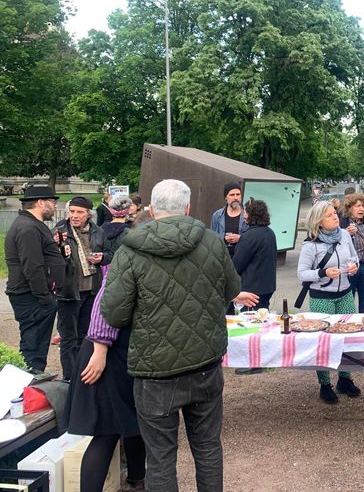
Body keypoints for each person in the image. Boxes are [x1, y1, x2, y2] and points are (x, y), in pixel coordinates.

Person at [102, 179, 245, 492]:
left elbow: (114, 313)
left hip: (156, 370)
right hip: (204, 362)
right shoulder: (212, 242)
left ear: (152, 210)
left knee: (161, 458)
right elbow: (231, 290)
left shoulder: (130, 251)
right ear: (188, 208)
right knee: (208, 448)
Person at [66, 201, 145, 492]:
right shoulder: (128, 263)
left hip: (122, 352)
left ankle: (136, 478)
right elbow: (104, 307)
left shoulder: (138, 261)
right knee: (107, 431)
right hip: (105, 352)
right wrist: (100, 349)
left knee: (134, 422)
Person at [297, 201, 362, 404]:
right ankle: (325, 384)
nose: (335, 217)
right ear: (319, 221)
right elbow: (302, 274)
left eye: (335, 213)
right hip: (322, 297)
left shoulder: (344, 235)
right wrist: (323, 272)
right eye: (329, 215)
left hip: (345, 294)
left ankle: (345, 378)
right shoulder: (310, 245)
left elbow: (354, 257)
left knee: (346, 338)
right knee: (323, 341)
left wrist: (354, 266)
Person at [4, 185, 63, 372]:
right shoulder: (27, 227)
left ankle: (32, 379)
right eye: (52, 202)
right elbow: (32, 266)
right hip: (31, 296)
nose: (55, 206)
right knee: (33, 347)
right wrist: (45, 297)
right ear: (40, 203)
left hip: (34, 295)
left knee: (36, 346)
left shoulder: (32, 225)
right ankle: (29, 383)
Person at [53, 196, 110, 381]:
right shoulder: (60, 231)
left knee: (86, 336)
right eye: (72, 211)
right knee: (68, 338)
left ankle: (83, 377)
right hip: (68, 292)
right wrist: (57, 248)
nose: (75, 216)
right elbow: (50, 259)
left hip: (92, 291)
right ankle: (69, 379)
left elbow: (110, 254)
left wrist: (102, 257)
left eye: (80, 212)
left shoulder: (98, 231)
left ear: (88, 214)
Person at [233, 198, 277, 311]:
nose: (243, 215)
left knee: (249, 318)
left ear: (250, 214)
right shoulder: (270, 233)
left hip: (251, 288)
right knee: (262, 315)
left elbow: (237, 264)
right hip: (267, 286)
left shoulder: (249, 236)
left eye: (245, 212)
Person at [210, 181, 249, 257]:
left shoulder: (248, 215)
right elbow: (212, 238)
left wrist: (240, 238)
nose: (235, 198)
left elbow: (254, 238)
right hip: (222, 257)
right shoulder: (217, 215)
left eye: (238, 194)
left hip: (242, 257)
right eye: (232, 195)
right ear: (226, 197)